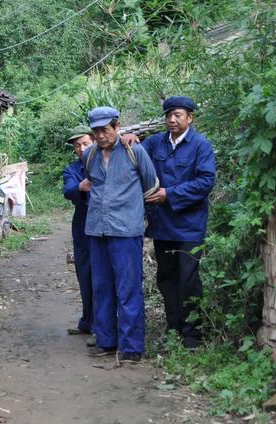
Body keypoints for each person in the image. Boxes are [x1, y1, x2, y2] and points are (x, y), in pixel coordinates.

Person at [83, 106, 158, 363]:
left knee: (128, 289)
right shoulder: (90, 155)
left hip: (126, 232)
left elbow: (151, 188)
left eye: (105, 129)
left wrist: (136, 216)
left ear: (117, 126)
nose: (101, 135)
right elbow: (90, 184)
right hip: (97, 230)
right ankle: (106, 341)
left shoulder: (134, 151)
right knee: (102, 286)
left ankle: (131, 347)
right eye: (96, 131)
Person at [141, 96, 216, 349]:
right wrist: (129, 139)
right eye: (168, 115)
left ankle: (193, 335)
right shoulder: (156, 143)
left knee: (188, 279)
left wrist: (169, 194)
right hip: (162, 224)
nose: (172, 120)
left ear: (190, 118)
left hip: (189, 226)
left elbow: (206, 181)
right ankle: (173, 329)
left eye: (178, 115)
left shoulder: (200, 145)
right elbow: (138, 153)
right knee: (166, 278)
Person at [62, 126, 95, 345]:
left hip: (107, 229)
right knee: (85, 276)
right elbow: (68, 189)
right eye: (77, 146)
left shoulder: (107, 162)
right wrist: (81, 187)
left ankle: (101, 324)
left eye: (85, 143)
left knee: (102, 278)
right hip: (83, 229)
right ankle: (87, 321)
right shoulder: (73, 169)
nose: (81, 149)